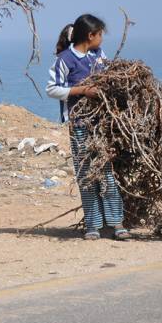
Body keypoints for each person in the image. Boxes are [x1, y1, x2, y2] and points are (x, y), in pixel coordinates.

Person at [45, 14, 130, 241]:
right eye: (100, 34)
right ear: (90, 36)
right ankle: (93, 225)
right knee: (86, 176)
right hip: (79, 124)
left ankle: (117, 223)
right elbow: (52, 89)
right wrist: (82, 91)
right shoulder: (64, 60)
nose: (102, 38)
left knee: (108, 174)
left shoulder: (98, 55)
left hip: (102, 124)